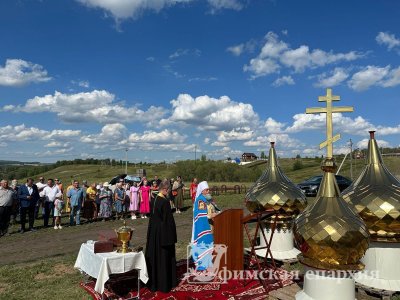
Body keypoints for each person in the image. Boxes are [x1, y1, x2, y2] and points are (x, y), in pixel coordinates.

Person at [145, 179, 177, 293]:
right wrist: (172, 238)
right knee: (163, 257)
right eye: (168, 190)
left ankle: (154, 281)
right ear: (165, 189)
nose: (168, 193)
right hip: (163, 234)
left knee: (155, 257)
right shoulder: (164, 202)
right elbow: (168, 221)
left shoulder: (153, 199)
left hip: (154, 233)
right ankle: (164, 283)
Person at [191, 181, 214, 271]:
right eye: (206, 189)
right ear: (202, 191)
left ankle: (208, 261)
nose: (208, 191)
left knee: (209, 243)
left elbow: (213, 207)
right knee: (204, 243)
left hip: (209, 225)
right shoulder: (200, 200)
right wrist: (211, 215)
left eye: (208, 189)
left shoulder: (207, 198)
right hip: (203, 227)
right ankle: (203, 263)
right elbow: (201, 214)